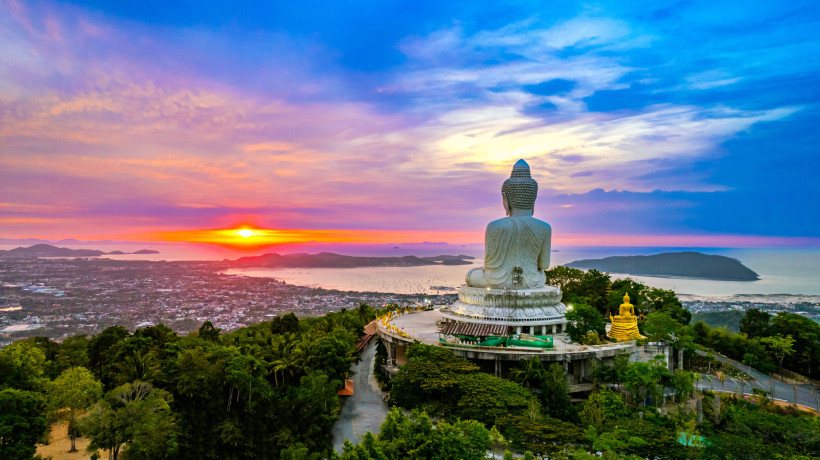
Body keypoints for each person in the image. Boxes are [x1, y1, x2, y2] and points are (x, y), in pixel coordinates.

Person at [467, 159, 552, 289]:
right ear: (534, 197)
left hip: (496, 281)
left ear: (505, 198)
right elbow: (544, 265)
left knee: (471, 274)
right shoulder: (545, 227)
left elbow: (490, 267)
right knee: (542, 275)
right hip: (531, 281)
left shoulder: (494, 226)